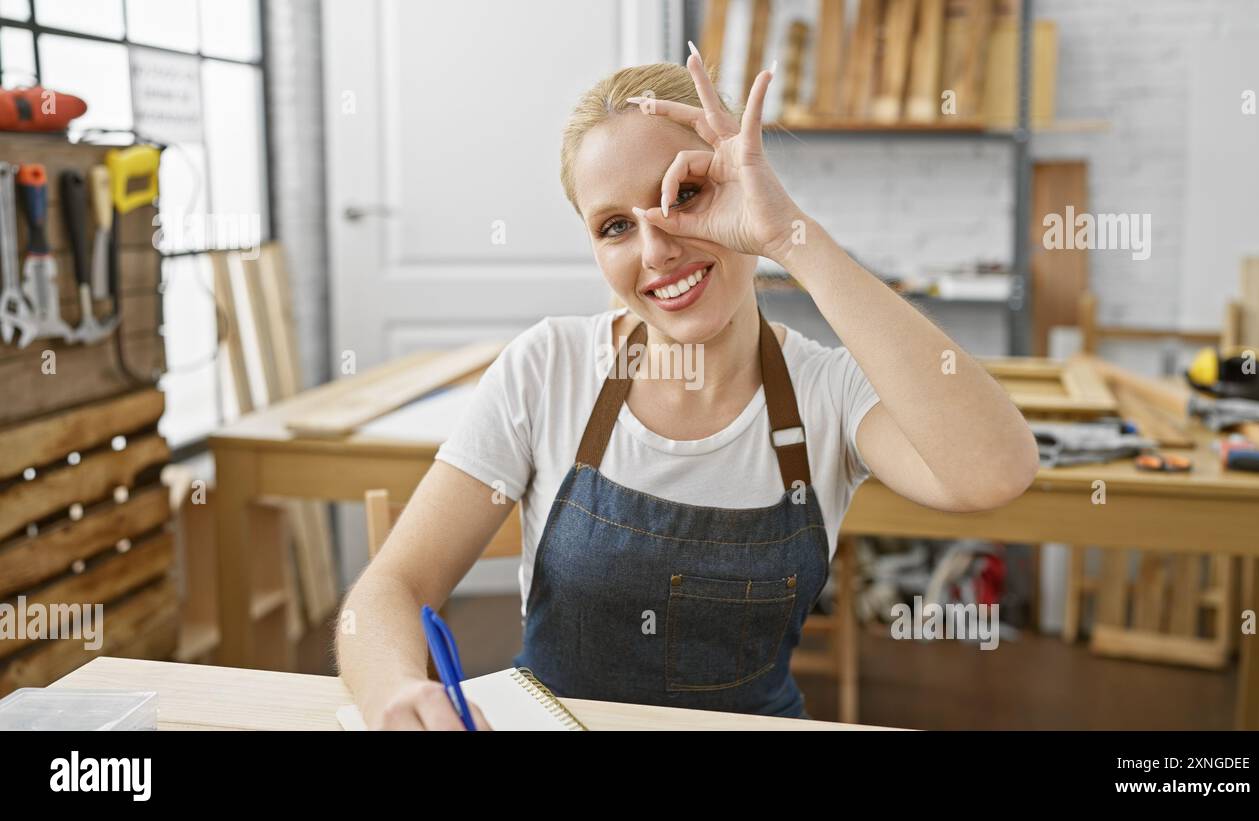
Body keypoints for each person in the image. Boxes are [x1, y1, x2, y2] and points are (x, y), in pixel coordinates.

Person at [337, 46, 1039, 730]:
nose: (656, 250)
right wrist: (397, 693)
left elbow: (994, 472)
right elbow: (389, 591)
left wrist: (791, 236)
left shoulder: (825, 390)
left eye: (685, 195)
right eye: (615, 226)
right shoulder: (547, 368)